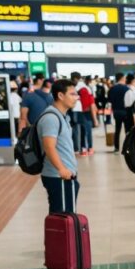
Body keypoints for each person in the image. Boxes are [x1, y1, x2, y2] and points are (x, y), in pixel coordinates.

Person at [38, 80, 80, 214]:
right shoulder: (51, 118)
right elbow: (49, 146)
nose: (76, 97)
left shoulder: (62, 116)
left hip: (65, 176)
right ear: (60, 96)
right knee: (62, 219)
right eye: (72, 94)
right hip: (58, 177)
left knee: (65, 219)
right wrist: (61, 169)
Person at [74, 75, 97, 156]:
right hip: (86, 113)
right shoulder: (86, 89)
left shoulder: (76, 89)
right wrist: (95, 120)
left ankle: (83, 149)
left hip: (78, 112)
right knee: (88, 131)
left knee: (82, 131)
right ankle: (90, 148)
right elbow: (91, 105)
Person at [109, 73, 130, 152]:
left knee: (117, 129)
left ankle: (116, 147)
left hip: (116, 111)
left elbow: (110, 100)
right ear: (122, 78)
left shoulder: (113, 88)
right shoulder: (126, 88)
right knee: (127, 130)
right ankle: (127, 147)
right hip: (126, 111)